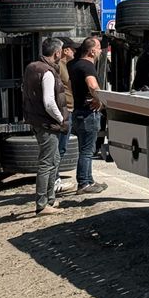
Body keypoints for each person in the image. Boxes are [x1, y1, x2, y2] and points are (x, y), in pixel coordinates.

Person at [21, 37, 69, 216]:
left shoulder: (32, 67)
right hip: (48, 123)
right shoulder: (47, 72)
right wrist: (60, 119)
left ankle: (50, 199)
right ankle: (42, 204)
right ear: (57, 53)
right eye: (61, 51)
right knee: (47, 163)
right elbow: (49, 102)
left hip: (38, 120)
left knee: (54, 159)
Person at [69, 37, 108, 194]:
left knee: (84, 149)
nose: (100, 51)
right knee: (87, 150)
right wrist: (100, 100)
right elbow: (92, 85)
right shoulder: (88, 66)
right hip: (88, 113)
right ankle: (84, 183)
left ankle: (89, 179)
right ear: (92, 51)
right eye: (98, 48)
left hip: (77, 111)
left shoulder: (74, 65)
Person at [54, 37, 80, 195]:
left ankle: (54, 179)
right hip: (64, 111)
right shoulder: (59, 67)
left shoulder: (65, 66)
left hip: (67, 110)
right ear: (65, 50)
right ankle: (54, 181)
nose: (75, 51)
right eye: (72, 49)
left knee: (61, 148)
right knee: (59, 148)